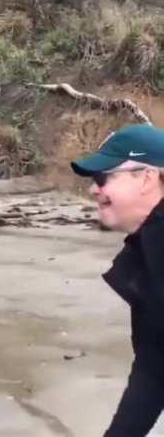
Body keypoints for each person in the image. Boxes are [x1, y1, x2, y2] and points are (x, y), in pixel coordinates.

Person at [71, 123, 164, 437]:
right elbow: (155, 365)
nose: (94, 189)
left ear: (147, 178)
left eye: (103, 177)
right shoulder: (149, 249)